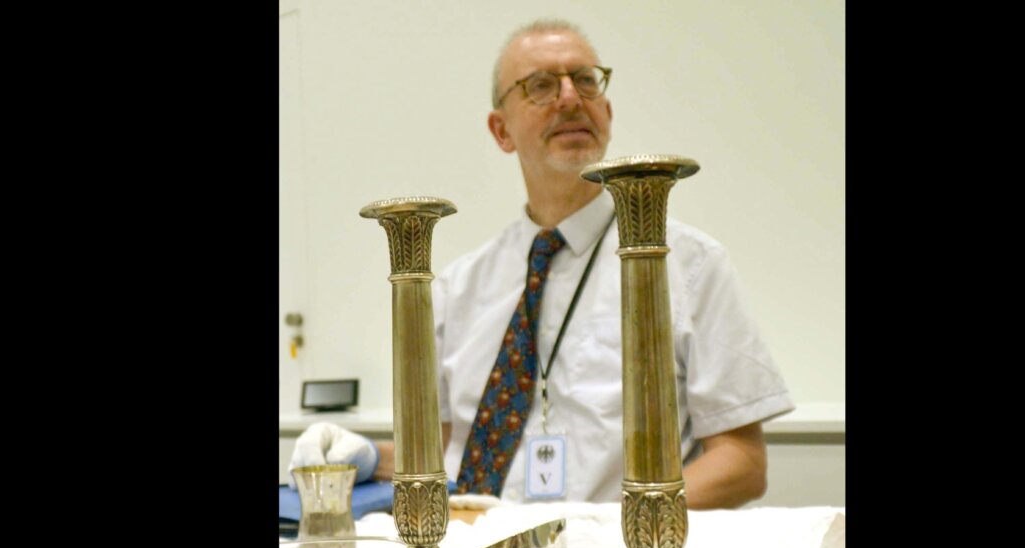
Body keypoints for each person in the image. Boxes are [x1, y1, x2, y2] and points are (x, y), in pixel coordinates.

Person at [290, 19, 793, 509]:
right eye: (541, 85)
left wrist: (611, 531)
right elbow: (446, 453)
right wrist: (363, 456)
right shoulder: (458, 287)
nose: (571, 98)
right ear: (501, 130)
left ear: (608, 114)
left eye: (587, 81)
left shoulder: (687, 266)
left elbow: (741, 463)